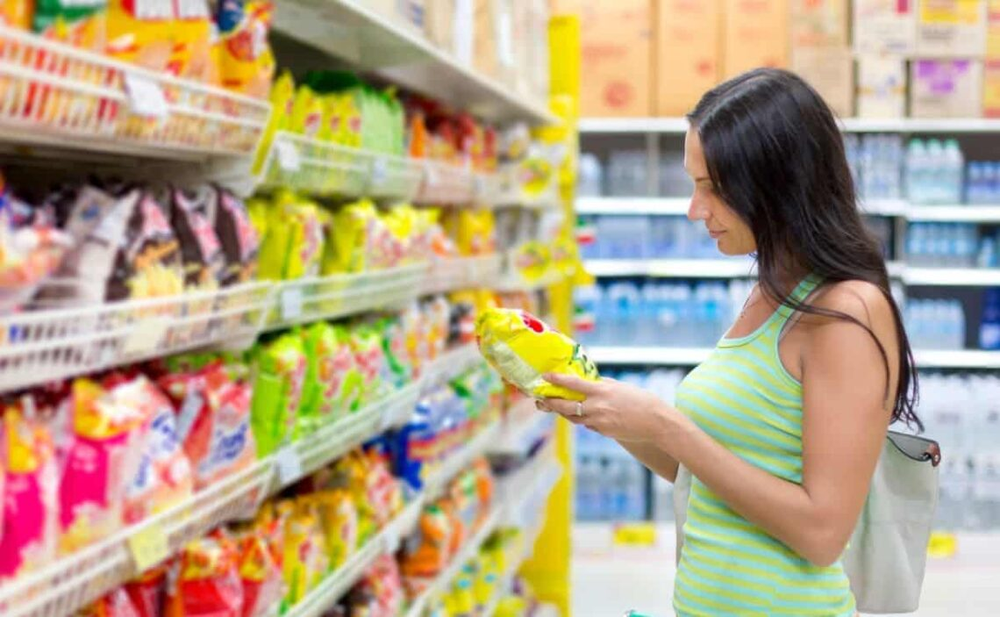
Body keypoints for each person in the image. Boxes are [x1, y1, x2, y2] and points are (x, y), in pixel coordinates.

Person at [539, 68, 922, 616]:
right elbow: (707, 473)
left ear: (777, 183)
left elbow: (822, 532)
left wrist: (669, 425)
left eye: (712, 188)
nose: (695, 210)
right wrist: (597, 404)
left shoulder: (846, 312)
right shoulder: (769, 294)